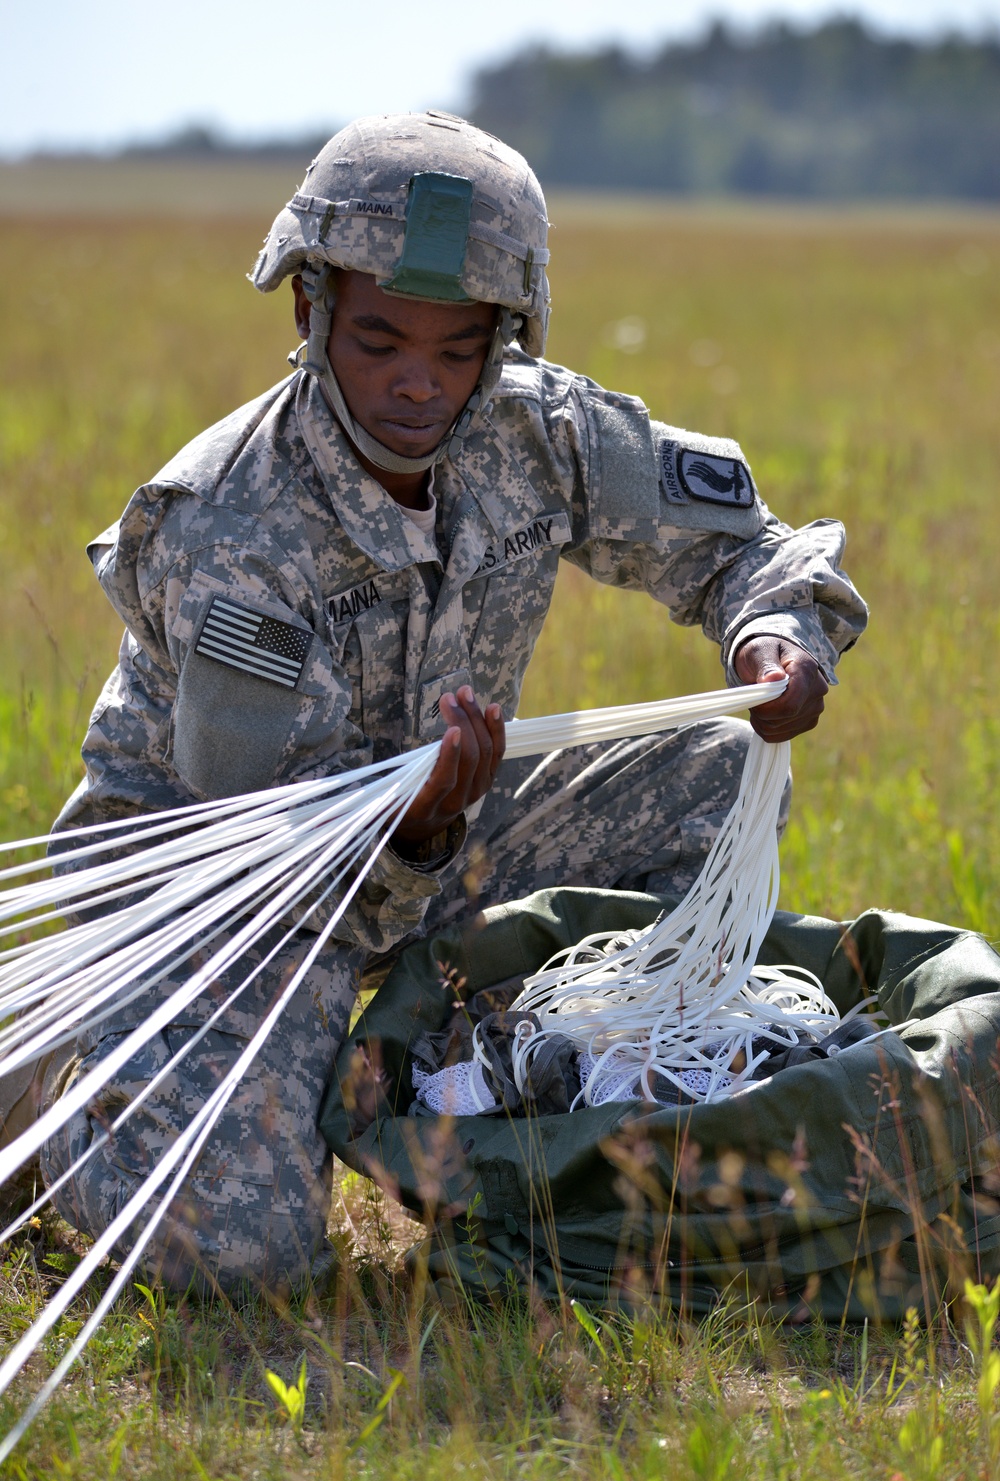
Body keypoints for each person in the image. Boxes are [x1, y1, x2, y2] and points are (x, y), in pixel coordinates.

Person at [3, 112, 867, 1294]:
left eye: (458, 350)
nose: (418, 383)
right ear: (308, 312)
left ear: (503, 340)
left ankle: (529, 1112)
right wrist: (419, 830)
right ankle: (57, 1099)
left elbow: (742, 548)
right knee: (238, 1258)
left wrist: (774, 635)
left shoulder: (537, 425)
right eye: (378, 340)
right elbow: (269, 837)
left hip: (433, 827)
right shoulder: (226, 526)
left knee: (709, 776)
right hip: (229, 902)